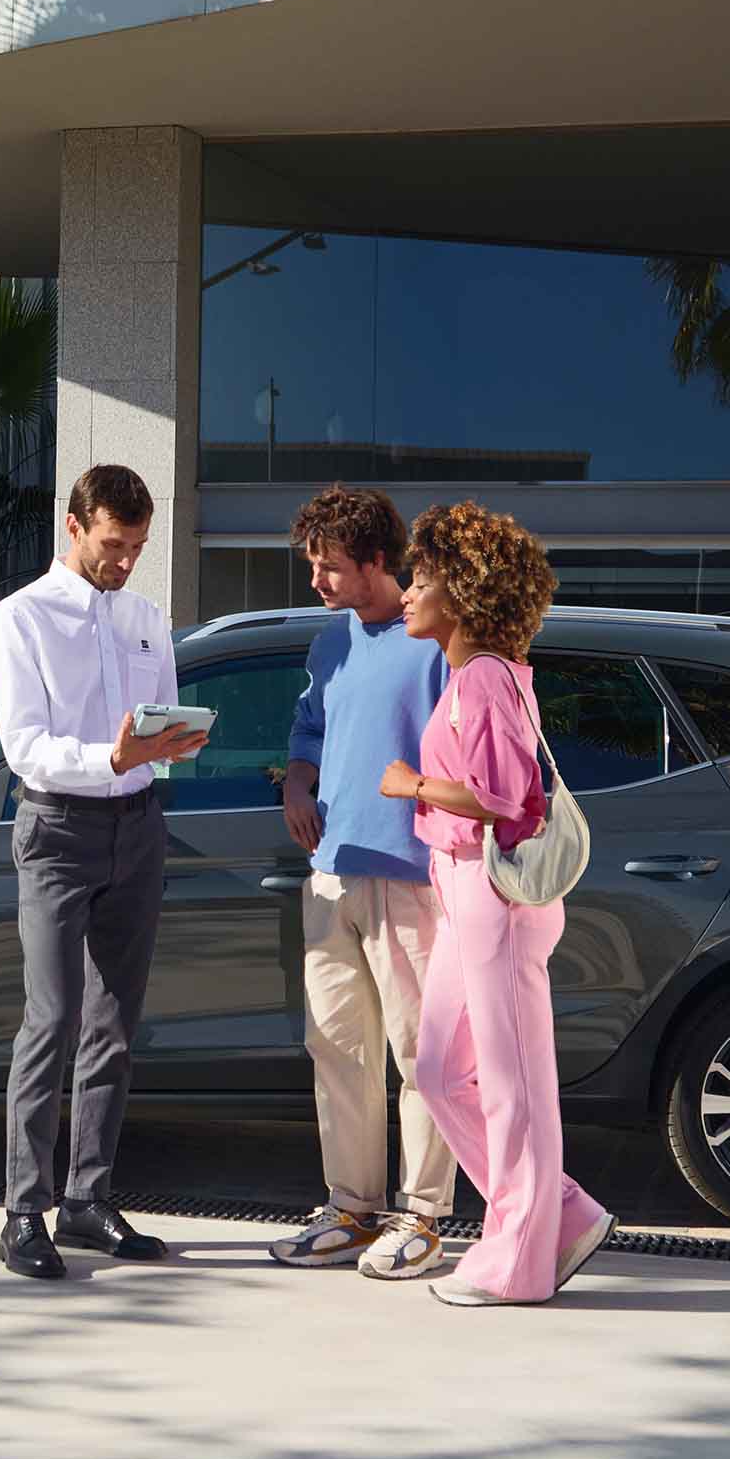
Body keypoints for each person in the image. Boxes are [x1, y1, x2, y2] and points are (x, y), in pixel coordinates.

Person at [377, 501, 616, 1307]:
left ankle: (518, 1262)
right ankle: (563, 1213)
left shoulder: (482, 676)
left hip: (495, 894)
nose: (407, 593)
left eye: (422, 579)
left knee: (515, 1085)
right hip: (464, 894)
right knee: (443, 1072)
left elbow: (506, 798)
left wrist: (410, 783)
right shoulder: (479, 675)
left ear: (465, 592)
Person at [0, 463, 210, 1280]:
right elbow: (25, 749)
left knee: (115, 1026)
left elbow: (163, 737)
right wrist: (111, 755)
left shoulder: (148, 618)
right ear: (72, 526)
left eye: (138, 547)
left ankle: (87, 1200)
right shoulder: (18, 620)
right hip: (57, 831)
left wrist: (174, 743)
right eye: (114, 544)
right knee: (52, 1018)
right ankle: (21, 1213)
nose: (126, 561)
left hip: (139, 829)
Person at [266, 487, 458, 1280]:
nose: (317, 580)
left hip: (412, 876)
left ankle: (424, 1215)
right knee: (338, 1047)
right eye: (312, 564)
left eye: (331, 567)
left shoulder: (436, 639)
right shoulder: (329, 643)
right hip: (330, 874)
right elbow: (308, 730)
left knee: (421, 1053)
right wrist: (296, 785)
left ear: (378, 561)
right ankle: (351, 1208)